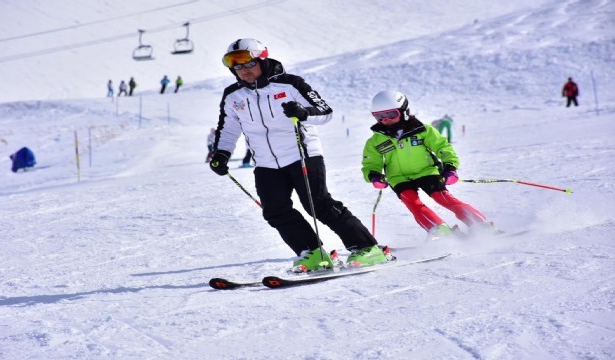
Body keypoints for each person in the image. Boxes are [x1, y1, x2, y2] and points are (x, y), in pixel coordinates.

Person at [209, 38, 392, 272]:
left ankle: (367, 248)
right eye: (236, 67)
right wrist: (221, 154)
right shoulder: (233, 95)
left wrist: (303, 113)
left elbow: (325, 112)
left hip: (303, 155)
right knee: (275, 211)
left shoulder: (290, 85)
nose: (243, 71)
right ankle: (312, 253)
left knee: (319, 205)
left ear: (262, 61)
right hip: (265, 163)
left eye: (248, 64)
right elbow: (228, 128)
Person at [361, 90, 498, 240]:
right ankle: (439, 231)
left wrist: (450, 167)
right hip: (398, 177)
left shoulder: (422, 130)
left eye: (391, 114)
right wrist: (374, 176)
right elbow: (371, 162)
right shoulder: (375, 141)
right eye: (380, 116)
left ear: (404, 111)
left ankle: (480, 225)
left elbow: (443, 148)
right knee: (413, 204)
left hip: (427, 171)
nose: (386, 119)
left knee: (443, 198)